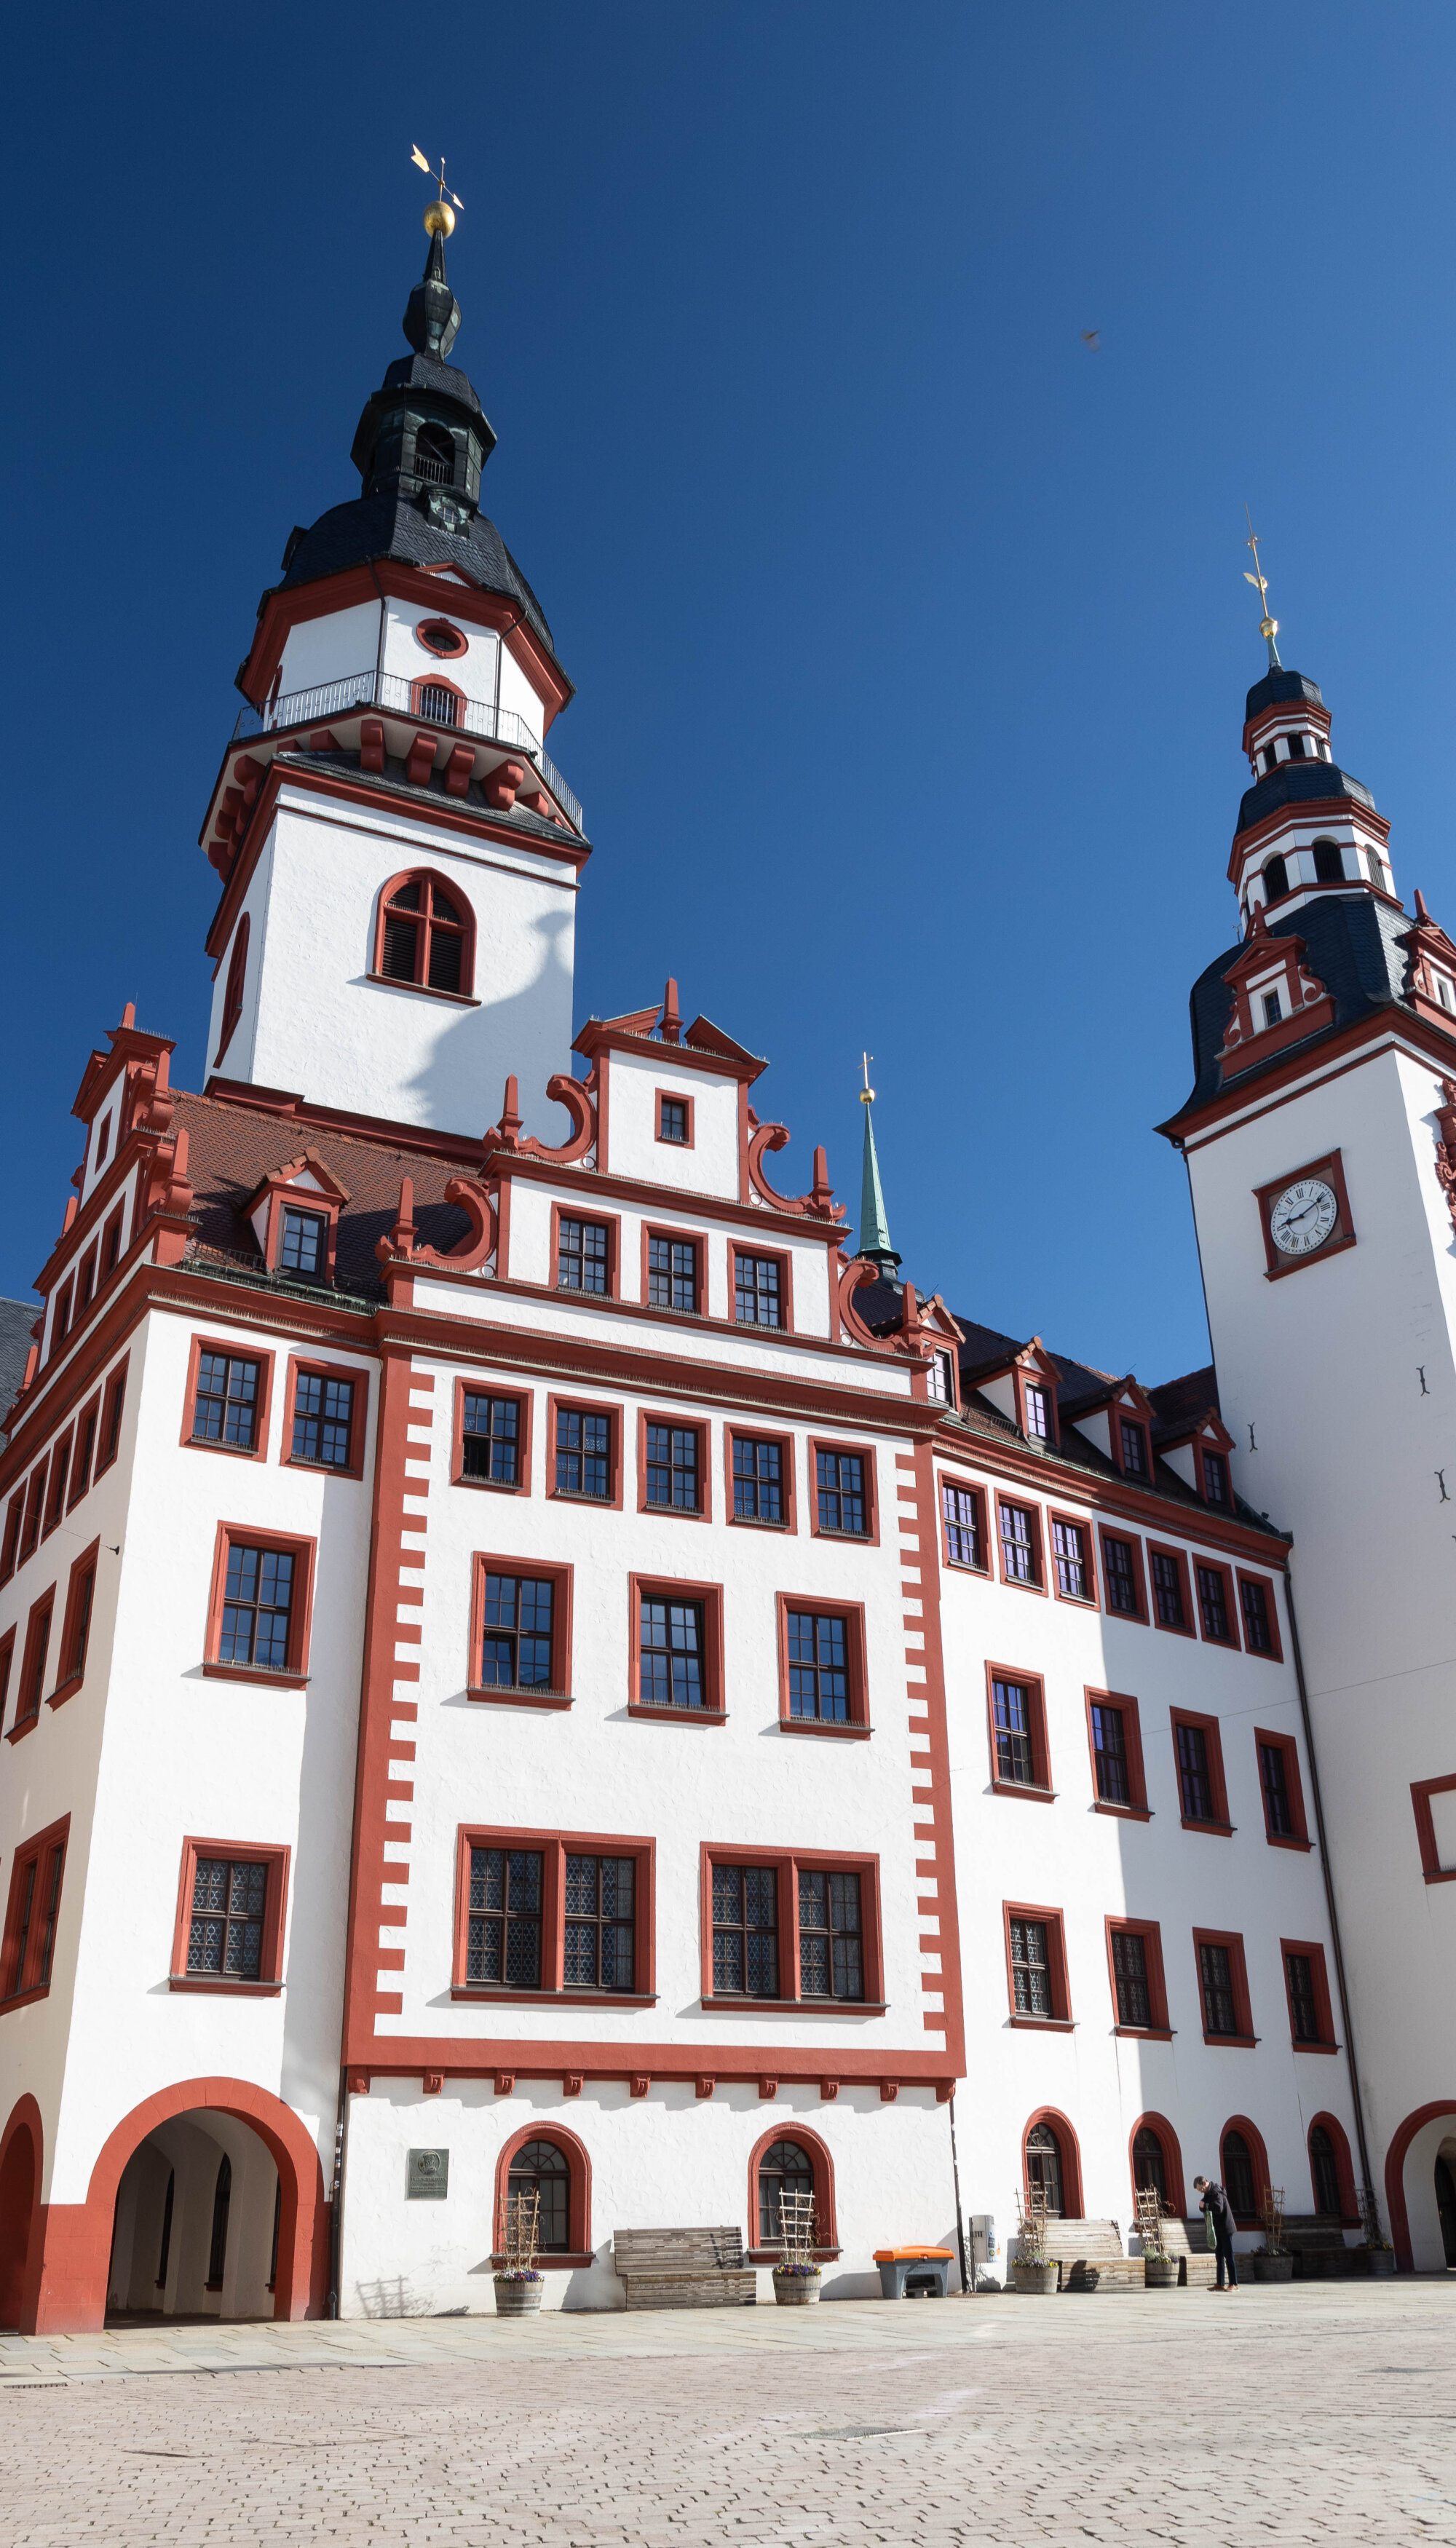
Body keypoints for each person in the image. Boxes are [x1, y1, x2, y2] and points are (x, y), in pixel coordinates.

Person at [1193, 2174, 1240, 2292]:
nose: (1201, 2191)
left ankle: (1234, 2284)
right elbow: (1203, 2206)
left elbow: (1218, 2208)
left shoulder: (1216, 2192)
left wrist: (1206, 2206)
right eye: (1199, 2190)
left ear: (1205, 2183)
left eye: (1201, 2189)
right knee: (1219, 2256)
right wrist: (1203, 2206)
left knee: (1229, 2256)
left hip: (1226, 2227)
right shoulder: (1208, 2193)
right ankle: (1220, 2283)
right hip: (1217, 2229)